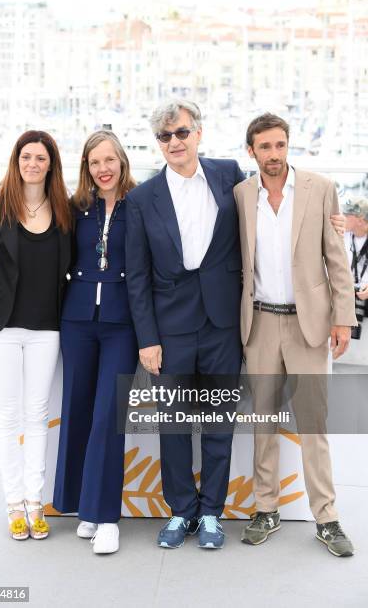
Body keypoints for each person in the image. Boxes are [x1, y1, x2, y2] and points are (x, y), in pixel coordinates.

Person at [234, 113, 357, 557]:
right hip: (260, 323)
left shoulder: (320, 189)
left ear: (289, 146)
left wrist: (343, 318)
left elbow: (336, 259)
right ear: (251, 151)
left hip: (310, 324)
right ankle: (265, 509)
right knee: (262, 421)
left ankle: (326, 517)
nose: (273, 155)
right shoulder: (240, 195)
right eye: (264, 147)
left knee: (313, 423)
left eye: (280, 145)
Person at [126, 99, 244, 549]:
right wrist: (147, 339)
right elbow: (136, 276)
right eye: (164, 136)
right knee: (173, 425)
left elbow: (273, 207)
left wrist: (333, 221)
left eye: (181, 132)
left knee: (219, 421)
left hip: (222, 323)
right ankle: (181, 511)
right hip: (170, 328)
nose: (174, 142)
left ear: (198, 133)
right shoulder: (141, 199)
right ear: (158, 144)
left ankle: (212, 512)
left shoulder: (229, 174)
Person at [0, 130, 72, 540]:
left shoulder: (63, 207)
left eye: (40, 158)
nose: (32, 164)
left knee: (38, 414)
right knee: (8, 415)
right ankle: (14, 504)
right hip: (1, 327)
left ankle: (35, 502)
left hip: (47, 326)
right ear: (17, 159)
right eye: (26, 156)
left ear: (50, 164)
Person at [53, 130, 139, 555]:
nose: (102, 169)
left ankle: (106, 517)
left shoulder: (139, 205)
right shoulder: (75, 209)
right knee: (78, 411)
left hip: (123, 324)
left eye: (109, 160)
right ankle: (81, 507)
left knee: (108, 416)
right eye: (93, 162)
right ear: (86, 168)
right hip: (78, 320)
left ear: (121, 160)